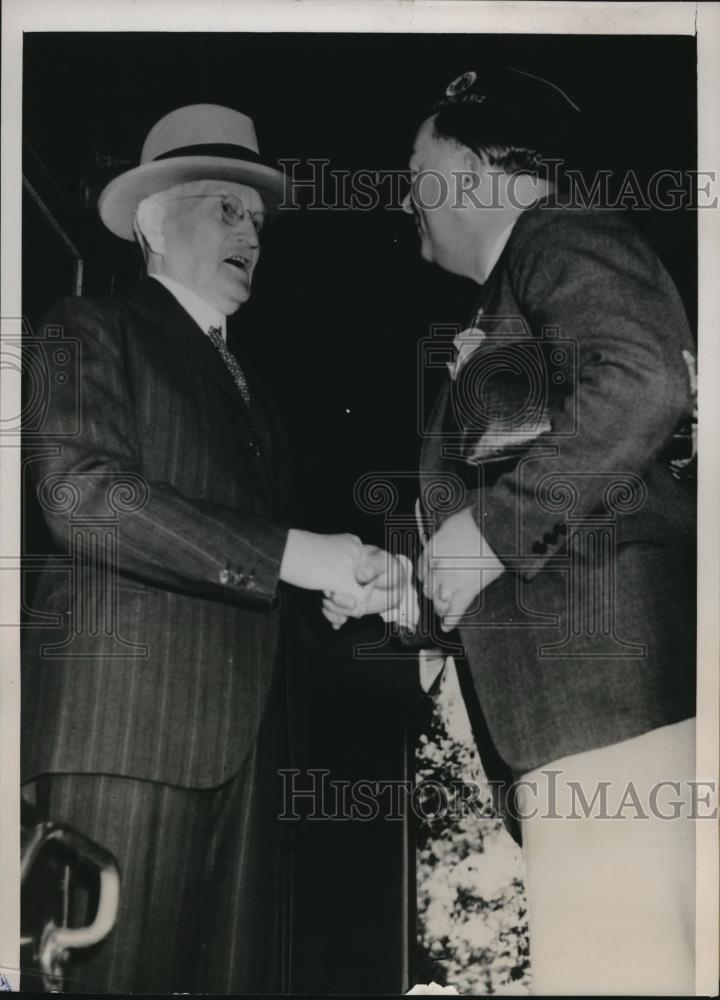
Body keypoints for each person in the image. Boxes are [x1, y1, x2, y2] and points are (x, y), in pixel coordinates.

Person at [325, 67, 697, 993]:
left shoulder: (560, 236)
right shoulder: (502, 307)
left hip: (616, 709)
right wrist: (409, 588)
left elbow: (644, 379)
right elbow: (515, 523)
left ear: (490, 168)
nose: (405, 196)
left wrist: (487, 535)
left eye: (417, 170)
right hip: (575, 724)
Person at [21, 103, 375, 994]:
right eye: (226, 208)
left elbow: (239, 554)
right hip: (126, 741)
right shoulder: (84, 327)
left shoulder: (260, 398)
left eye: (257, 219)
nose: (251, 233)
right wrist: (296, 555)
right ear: (151, 222)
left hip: (249, 760)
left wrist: (325, 589)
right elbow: (81, 493)